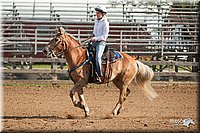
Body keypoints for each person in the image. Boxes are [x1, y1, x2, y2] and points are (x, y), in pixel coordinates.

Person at [89, 5, 109, 82]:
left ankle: (99, 75)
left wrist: (95, 38)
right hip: (94, 41)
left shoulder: (105, 23)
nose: (96, 14)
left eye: (98, 13)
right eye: (96, 13)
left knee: (97, 57)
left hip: (101, 43)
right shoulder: (96, 21)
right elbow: (95, 32)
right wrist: (92, 35)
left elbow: (104, 36)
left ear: (102, 14)